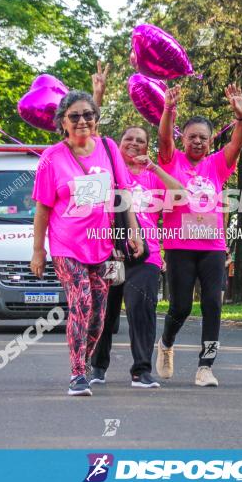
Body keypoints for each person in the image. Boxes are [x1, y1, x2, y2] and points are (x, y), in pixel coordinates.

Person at [29, 90, 144, 397]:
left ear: (96, 118)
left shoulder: (108, 148)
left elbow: (124, 195)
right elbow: (42, 209)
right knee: (81, 302)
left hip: (102, 246)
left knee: (99, 316)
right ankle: (77, 373)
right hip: (66, 245)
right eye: (75, 116)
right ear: (62, 122)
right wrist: (38, 251)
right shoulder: (52, 158)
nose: (82, 121)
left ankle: (85, 360)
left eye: (88, 115)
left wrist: (133, 231)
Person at [154, 85, 242, 387]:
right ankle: (166, 343)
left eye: (203, 137)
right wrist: (168, 110)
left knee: (213, 304)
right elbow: (163, 138)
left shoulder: (217, 165)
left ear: (210, 141)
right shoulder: (172, 161)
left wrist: (240, 118)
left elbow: (237, 144)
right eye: (192, 136)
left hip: (212, 247)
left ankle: (205, 366)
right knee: (180, 306)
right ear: (184, 139)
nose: (197, 141)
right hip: (179, 246)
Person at [88, 126, 185, 389]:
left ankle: (141, 371)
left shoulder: (151, 178)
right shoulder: (106, 172)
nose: (134, 143)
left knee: (141, 310)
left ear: (147, 147)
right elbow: (91, 140)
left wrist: (154, 168)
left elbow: (181, 194)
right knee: (104, 312)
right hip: (111, 254)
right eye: (128, 139)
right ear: (118, 144)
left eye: (140, 141)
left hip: (146, 254)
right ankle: (97, 367)